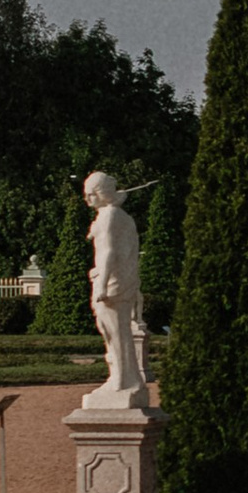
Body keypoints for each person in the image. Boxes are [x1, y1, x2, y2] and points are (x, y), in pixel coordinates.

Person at [84, 170, 148, 403]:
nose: (88, 199)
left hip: (111, 284)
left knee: (114, 331)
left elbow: (108, 251)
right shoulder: (121, 216)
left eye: (91, 194)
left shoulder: (108, 216)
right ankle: (127, 378)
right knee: (116, 331)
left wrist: (101, 283)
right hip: (121, 281)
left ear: (102, 193)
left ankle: (121, 380)